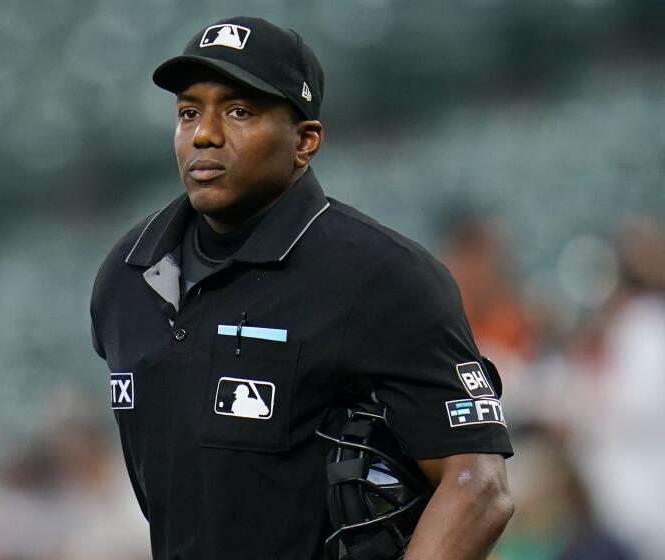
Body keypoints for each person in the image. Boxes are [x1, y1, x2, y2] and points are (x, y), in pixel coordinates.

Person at [90, 16, 514, 559]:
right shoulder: (126, 277)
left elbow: (478, 487)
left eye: (239, 111)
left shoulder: (381, 276)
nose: (205, 134)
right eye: (189, 112)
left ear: (305, 141)